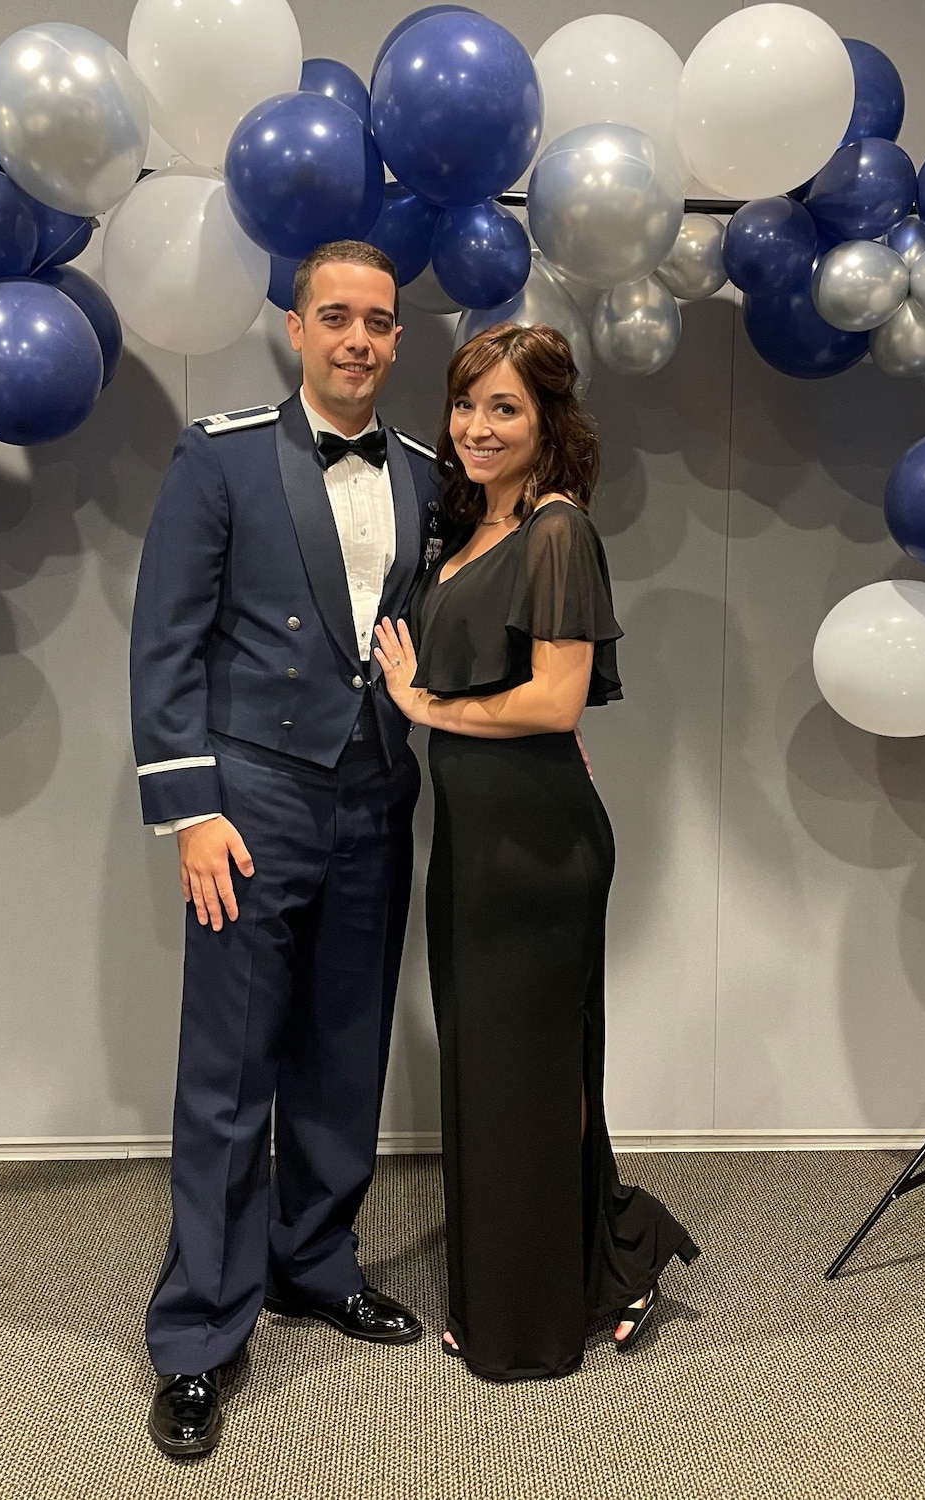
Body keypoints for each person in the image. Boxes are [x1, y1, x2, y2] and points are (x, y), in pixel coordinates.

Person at [129, 241, 445, 1457]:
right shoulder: (218, 458)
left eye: (377, 320)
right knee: (228, 1072)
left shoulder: (422, 473)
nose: (357, 338)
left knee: (344, 1047)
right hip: (250, 804)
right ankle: (201, 1335)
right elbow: (164, 639)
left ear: (396, 337)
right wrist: (189, 810)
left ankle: (313, 1262)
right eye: (335, 317)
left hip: (376, 795)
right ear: (296, 327)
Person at [372, 324, 699, 1381]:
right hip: (478, 833)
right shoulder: (471, 528)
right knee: (490, 1068)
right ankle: (598, 1255)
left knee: (521, 1072)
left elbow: (555, 697)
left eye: (503, 408)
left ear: (547, 421)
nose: (475, 426)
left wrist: (424, 705)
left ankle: (530, 1315)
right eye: (466, 404)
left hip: (534, 848)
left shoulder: (557, 529)